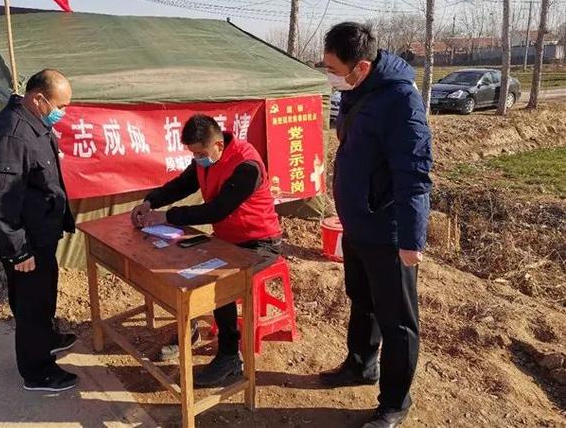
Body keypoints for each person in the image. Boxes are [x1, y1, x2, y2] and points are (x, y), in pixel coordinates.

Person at [319, 23, 432, 428]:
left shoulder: (401, 100)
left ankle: (395, 403)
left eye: (334, 68)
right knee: (361, 299)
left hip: (389, 230)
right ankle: (360, 364)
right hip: (357, 221)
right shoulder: (356, 91)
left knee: (397, 319)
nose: (329, 76)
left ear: (362, 66)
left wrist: (411, 238)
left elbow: (414, 172)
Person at [131, 114, 282, 387]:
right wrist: (150, 202)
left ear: (218, 145)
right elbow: (181, 184)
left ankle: (229, 356)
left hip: (259, 245)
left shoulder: (246, 166)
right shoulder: (206, 159)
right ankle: (188, 328)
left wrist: (168, 217)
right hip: (226, 241)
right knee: (180, 264)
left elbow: (218, 209)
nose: (197, 159)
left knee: (215, 282)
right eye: (194, 154)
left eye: (200, 153)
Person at [0, 69, 78, 392]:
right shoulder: (13, 135)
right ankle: (38, 372)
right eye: (59, 105)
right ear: (39, 98)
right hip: (27, 242)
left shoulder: (34, 124)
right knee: (31, 304)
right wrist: (18, 249)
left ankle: (46, 339)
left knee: (43, 294)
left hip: (42, 234)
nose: (61, 112)